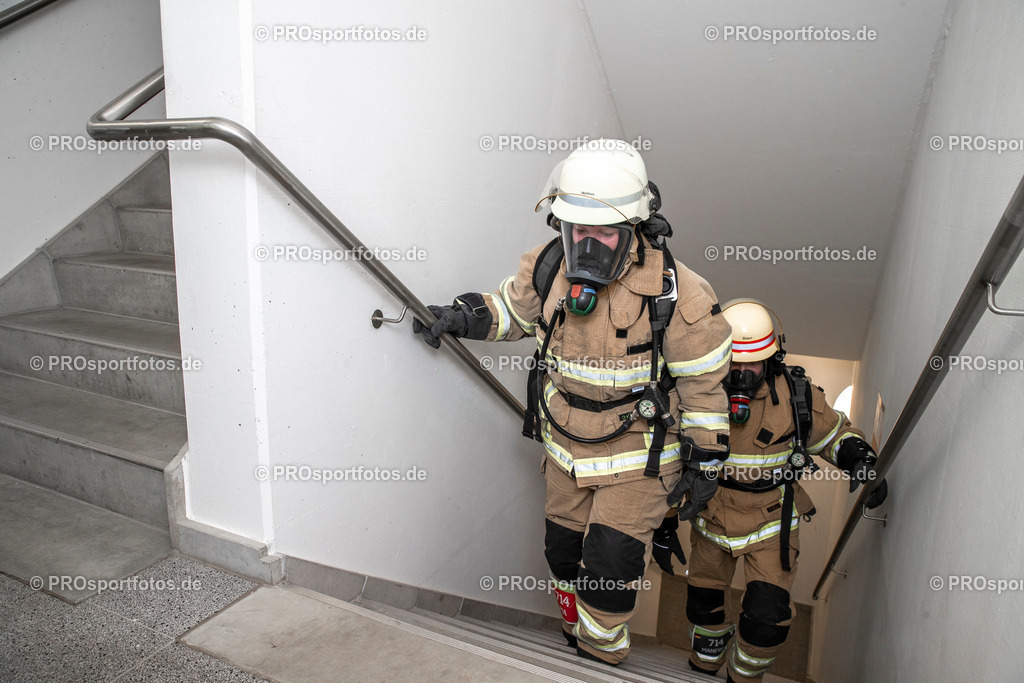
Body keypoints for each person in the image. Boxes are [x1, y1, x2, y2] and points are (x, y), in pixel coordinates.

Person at [413, 140, 732, 665]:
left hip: (639, 456)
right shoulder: (547, 266)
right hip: (565, 445)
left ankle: (599, 657)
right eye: (576, 229)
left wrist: (707, 460)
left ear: (634, 228)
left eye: (602, 231)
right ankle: (572, 628)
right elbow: (512, 313)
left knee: (609, 564)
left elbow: (702, 388)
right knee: (563, 555)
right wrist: (464, 316)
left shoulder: (681, 296)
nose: (586, 244)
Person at [653, 299, 888, 682]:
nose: (742, 374)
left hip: (771, 523)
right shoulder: (694, 391)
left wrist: (860, 462)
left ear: (772, 359)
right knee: (702, 607)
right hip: (711, 519)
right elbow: (667, 459)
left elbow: (834, 435)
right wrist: (662, 523)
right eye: (734, 363)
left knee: (767, 618)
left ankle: (742, 676)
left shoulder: (798, 398)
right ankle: (706, 662)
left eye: (753, 364)